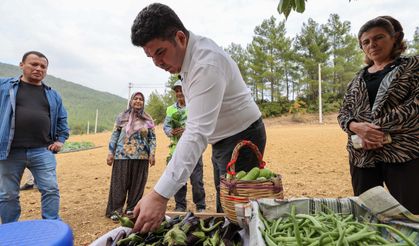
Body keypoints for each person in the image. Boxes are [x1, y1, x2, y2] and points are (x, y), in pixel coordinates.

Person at [130, 3, 266, 232]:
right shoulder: (185, 60)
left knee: (236, 214)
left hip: (242, 135)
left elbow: (196, 132)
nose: (157, 63)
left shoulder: (206, 63)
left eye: (160, 52)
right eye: (151, 57)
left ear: (180, 38)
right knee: (225, 201)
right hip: (221, 138)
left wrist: (160, 194)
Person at [338, 16, 419, 214]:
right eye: (365, 42)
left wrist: (373, 129)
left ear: (395, 38)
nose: (372, 44)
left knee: (410, 213)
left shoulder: (412, 66)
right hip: (362, 156)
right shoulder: (358, 77)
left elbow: (415, 105)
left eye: (378, 38)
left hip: (403, 154)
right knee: (367, 213)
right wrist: (356, 127)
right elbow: (344, 112)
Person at [0, 51, 70, 223]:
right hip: (10, 152)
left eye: (43, 66)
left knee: (51, 189)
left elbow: (62, 119)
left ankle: (51, 224)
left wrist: (60, 140)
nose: (39, 68)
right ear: (22, 65)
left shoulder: (53, 95)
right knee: (8, 195)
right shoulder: (4, 87)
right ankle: (10, 229)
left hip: (42, 150)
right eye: (34, 64)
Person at [105, 91, 156, 221]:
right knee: (119, 184)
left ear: (143, 102)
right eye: (135, 98)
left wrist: (152, 153)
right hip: (122, 155)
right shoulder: (122, 116)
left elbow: (152, 138)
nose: (138, 101)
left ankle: (132, 209)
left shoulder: (148, 119)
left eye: (141, 99)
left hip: (141, 156)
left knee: (137, 185)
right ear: (131, 101)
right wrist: (110, 153)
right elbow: (115, 135)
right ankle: (115, 211)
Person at [163, 80, 206, 213]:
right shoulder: (170, 109)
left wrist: (187, 129)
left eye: (181, 89)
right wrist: (171, 131)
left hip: (194, 149)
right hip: (176, 149)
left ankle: (200, 206)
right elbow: (166, 126)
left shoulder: (195, 106)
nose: (179, 93)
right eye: (176, 91)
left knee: (197, 180)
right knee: (178, 178)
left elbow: (200, 123)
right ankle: (180, 205)